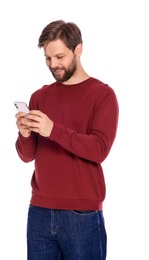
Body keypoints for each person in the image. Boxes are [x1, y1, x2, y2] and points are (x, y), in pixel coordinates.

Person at [15, 20, 119, 260]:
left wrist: (53, 130)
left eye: (60, 56)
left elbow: (99, 149)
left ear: (78, 50)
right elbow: (27, 155)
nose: (54, 65)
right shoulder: (40, 96)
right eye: (48, 59)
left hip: (81, 213)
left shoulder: (102, 95)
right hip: (39, 211)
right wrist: (25, 134)